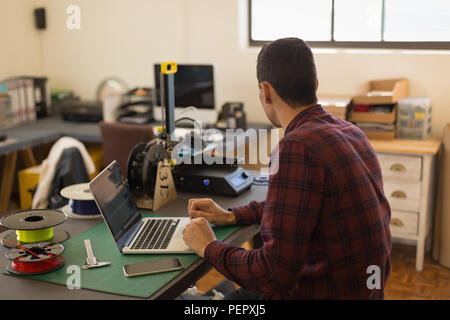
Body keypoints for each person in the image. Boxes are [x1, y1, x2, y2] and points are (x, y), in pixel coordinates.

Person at [182, 37, 392, 300]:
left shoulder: (297, 147)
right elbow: (300, 208)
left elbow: (272, 275)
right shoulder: (352, 132)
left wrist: (208, 246)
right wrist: (233, 215)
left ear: (265, 91)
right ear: (314, 85)